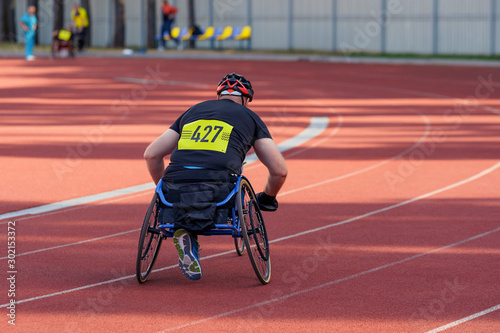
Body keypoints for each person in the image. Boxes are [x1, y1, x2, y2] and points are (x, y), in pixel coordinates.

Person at [144, 73, 288, 280]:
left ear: (219, 95)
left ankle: (180, 222)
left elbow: (151, 154)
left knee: (180, 194)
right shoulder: (251, 118)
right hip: (219, 184)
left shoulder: (193, 111)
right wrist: (267, 198)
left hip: (175, 182)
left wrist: (164, 191)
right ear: (246, 100)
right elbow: (279, 170)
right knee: (223, 189)